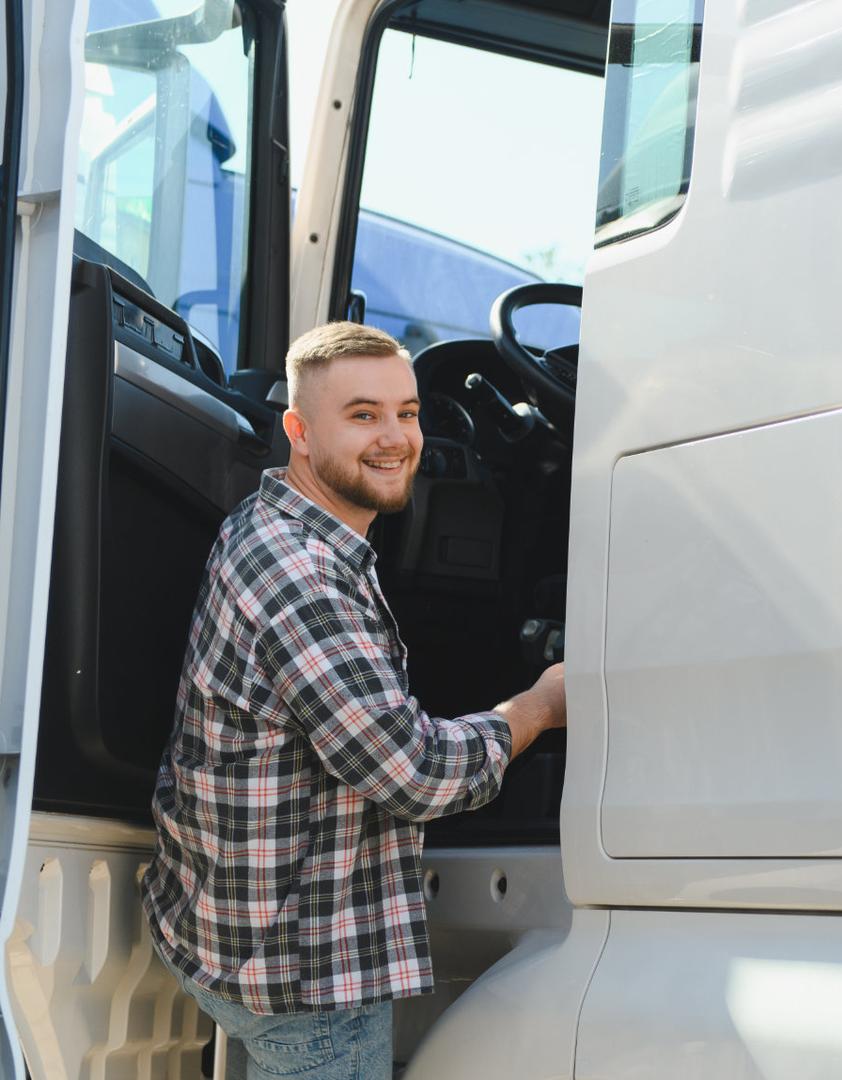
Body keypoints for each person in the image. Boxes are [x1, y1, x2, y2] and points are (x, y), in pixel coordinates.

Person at [141, 322, 567, 1079]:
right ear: (299, 432)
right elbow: (415, 775)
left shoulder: (275, 523)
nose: (396, 439)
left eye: (408, 412)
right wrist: (538, 707)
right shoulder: (303, 576)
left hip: (225, 929)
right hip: (302, 978)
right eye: (363, 415)